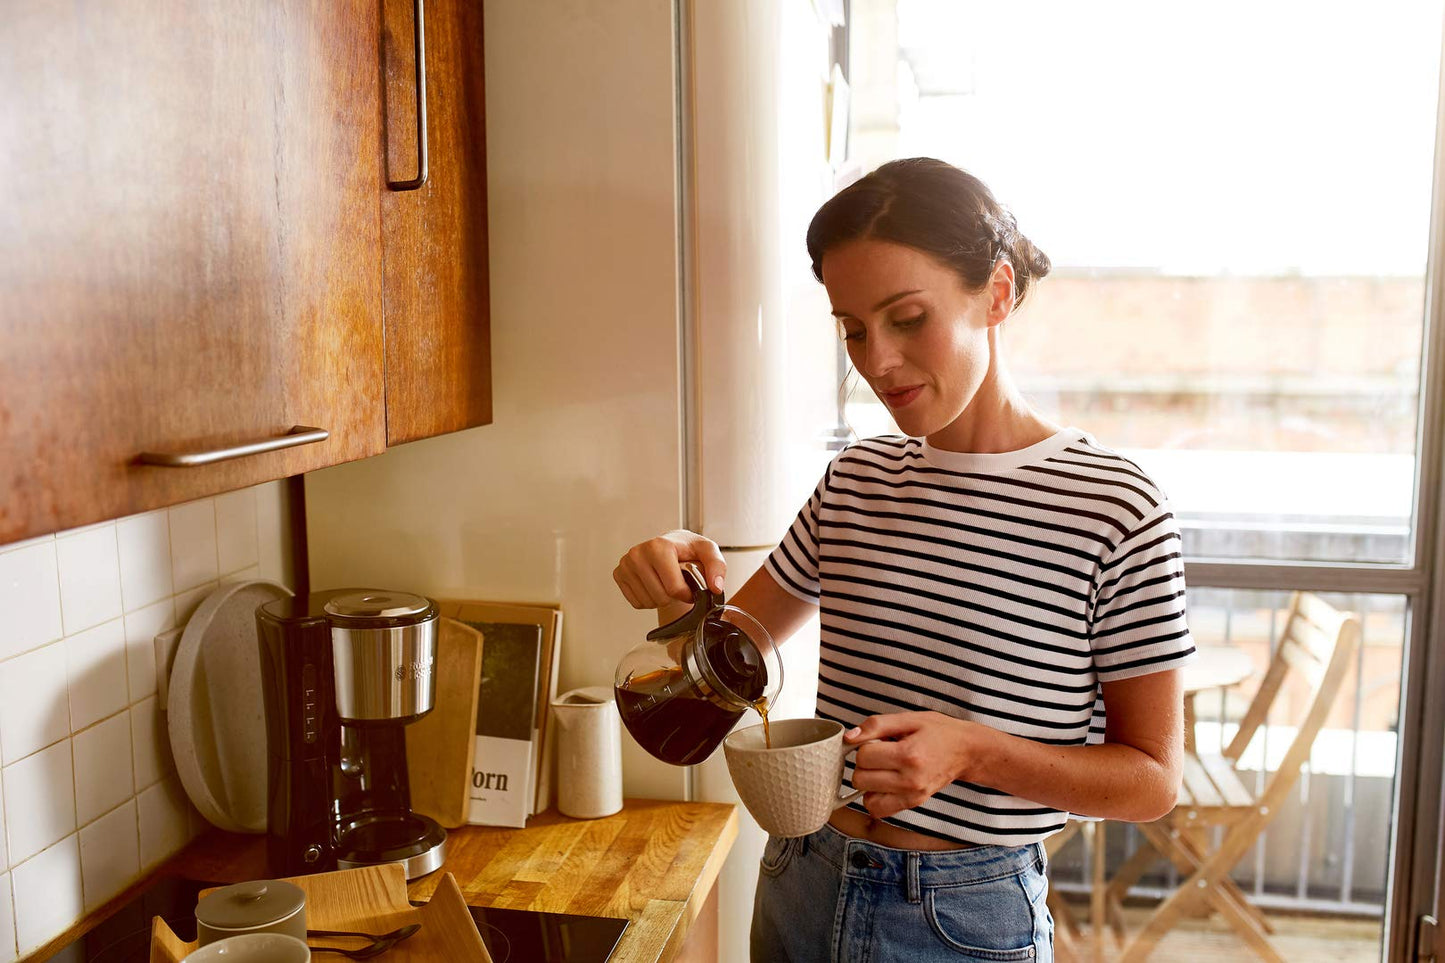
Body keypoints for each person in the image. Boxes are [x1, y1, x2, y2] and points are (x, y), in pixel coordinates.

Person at [613, 157, 1197, 962]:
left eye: (908, 317)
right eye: (851, 328)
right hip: (799, 875)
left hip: (963, 916)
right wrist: (676, 585)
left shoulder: (1113, 506)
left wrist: (973, 749)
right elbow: (719, 666)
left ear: (995, 294)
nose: (876, 361)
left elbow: (1151, 781)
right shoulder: (857, 477)